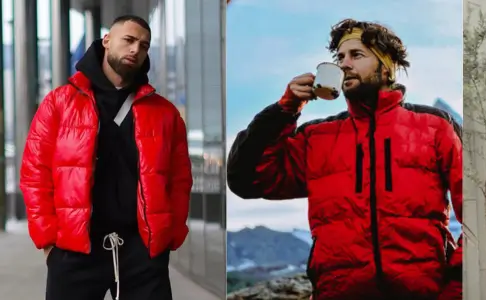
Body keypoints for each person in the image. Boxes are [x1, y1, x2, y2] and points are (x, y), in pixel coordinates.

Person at [227, 18, 463, 300]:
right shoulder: (317, 137)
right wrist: (283, 110)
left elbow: (475, 212)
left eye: (356, 55)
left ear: (386, 66)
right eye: (339, 57)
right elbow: (248, 179)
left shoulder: (435, 126)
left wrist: (456, 289)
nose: (344, 64)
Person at [20, 15, 192, 300]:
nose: (136, 49)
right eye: (129, 40)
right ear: (107, 41)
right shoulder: (59, 102)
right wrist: (48, 241)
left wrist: (168, 236)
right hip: (74, 249)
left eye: (144, 45)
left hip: (142, 251)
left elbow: (180, 178)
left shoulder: (164, 113)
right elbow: (34, 172)